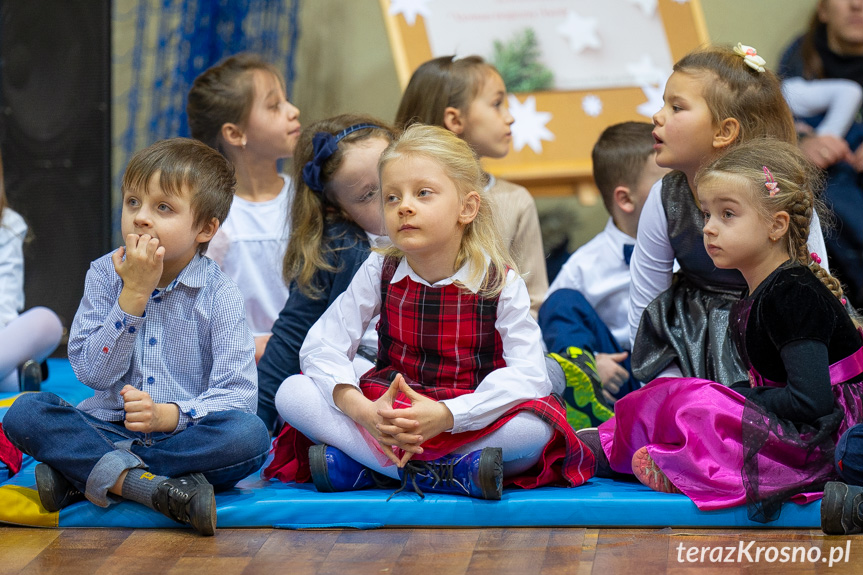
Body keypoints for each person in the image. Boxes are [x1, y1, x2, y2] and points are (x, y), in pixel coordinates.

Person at [262, 124, 594, 498]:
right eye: (390, 197)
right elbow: (322, 346)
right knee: (293, 392)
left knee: (535, 429)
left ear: (467, 207)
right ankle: (446, 473)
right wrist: (364, 413)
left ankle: (374, 467)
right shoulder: (379, 268)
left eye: (423, 193)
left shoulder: (498, 281)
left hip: (466, 412)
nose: (404, 206)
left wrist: (448, 416)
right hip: (394, 409)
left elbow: (530, 376)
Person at [581, 137, 863, 523]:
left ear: (776, 225)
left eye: (727, 215)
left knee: (702, 403)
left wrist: (740, 397)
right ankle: (602, 447)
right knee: (678, 393)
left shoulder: (793, 292)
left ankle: (669, 464)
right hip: (807, 420)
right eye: (706, 215)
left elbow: (813, 402)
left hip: (829, 432)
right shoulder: (760, 290)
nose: (709, 229)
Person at [2, 139, 271, 536]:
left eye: (163, 208)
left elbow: (239, 397)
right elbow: (91, 373)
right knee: (26, 412)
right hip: (106, 429)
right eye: (133, 202)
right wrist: (132, 296)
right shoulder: (103, 274)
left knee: (250, 436)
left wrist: (169, 416)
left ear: (205, 228)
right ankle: (151, 488)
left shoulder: (220, 294)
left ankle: (89, 475)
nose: (141, 218)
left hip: (183, 439)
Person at [628, 43, 830, 387]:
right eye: (664, 103)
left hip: (771, 337)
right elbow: (644, 307)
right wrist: (665, 387)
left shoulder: (777, 194)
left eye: (676, 107)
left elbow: (814, 286)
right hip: (691, 343)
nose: (657, 116)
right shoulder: (666, 197)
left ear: (724, 131)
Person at [256, 115, 395, 433]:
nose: (392, 196)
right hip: (367, 383)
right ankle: (375, 458)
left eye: (394, 175)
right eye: (367, 195)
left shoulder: (447, 226)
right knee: (295, 394)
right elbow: (293, 333)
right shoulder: (342, 247)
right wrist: (254, 427)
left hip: (440, 379)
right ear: (339, 210)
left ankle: (367, 462)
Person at [394, 55, 548, 317]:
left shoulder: (516, 200)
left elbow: (533, 302)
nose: (509, 117)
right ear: (455, 120)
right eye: (497, 104)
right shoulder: (396, 199)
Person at [539, 122, 668, 429]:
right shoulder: (585, 265)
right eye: (666, 185)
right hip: (618, 380)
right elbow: (545, 333)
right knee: (561, 303)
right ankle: (591, 417)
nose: (681, 193)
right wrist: (592, 362)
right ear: (626, 200)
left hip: (676, 370)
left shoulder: (694, 246)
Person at [187, 53, 301, 361]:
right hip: (234, 363)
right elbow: (192, 315)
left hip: (303, 357)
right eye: (275, 105)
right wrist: (249, 347)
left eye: (287, 101)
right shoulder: (211, 217)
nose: (293, 111)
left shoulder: (306, 201)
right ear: (235, 134)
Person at [779, 0, 863, 308]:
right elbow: (770, 118)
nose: (857, 5)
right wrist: (800, 141)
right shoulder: (797, 61)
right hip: (827, 197)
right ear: (823, 10)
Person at [0, 147, 63, 393]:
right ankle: (14, 376)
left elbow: (6, 298)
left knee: (47, 322)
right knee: (8, 380)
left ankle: (11, 366)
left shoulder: (8, 224)